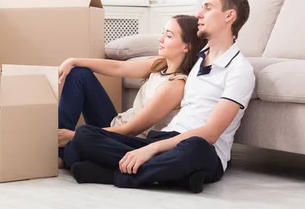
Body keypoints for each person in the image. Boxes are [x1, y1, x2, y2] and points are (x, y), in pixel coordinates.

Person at [67, 0, 255, 194]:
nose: (199, 14)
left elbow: (210, 134)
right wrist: (153, 145)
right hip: (165, 139)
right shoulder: (197, 58)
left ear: (230, 16)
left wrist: (150, 149)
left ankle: (115, 175)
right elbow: (125, 67)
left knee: (195, 147)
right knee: (84, 135)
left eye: (208, 8)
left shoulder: (240, 71)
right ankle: (175, 177)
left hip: (202, 151)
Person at [57, 14, 206, 169]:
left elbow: (131, 130)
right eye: (163, 33)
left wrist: (74, 136)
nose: (160, 39)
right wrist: (73, 61)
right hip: (114, 123)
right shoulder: (160, 64)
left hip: (126, 140)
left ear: (186, 46)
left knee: (75, 149)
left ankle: (67, 151)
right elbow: (118, 67)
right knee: (79, 74)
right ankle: (59, 151)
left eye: (168, 36)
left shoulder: (175, 86)